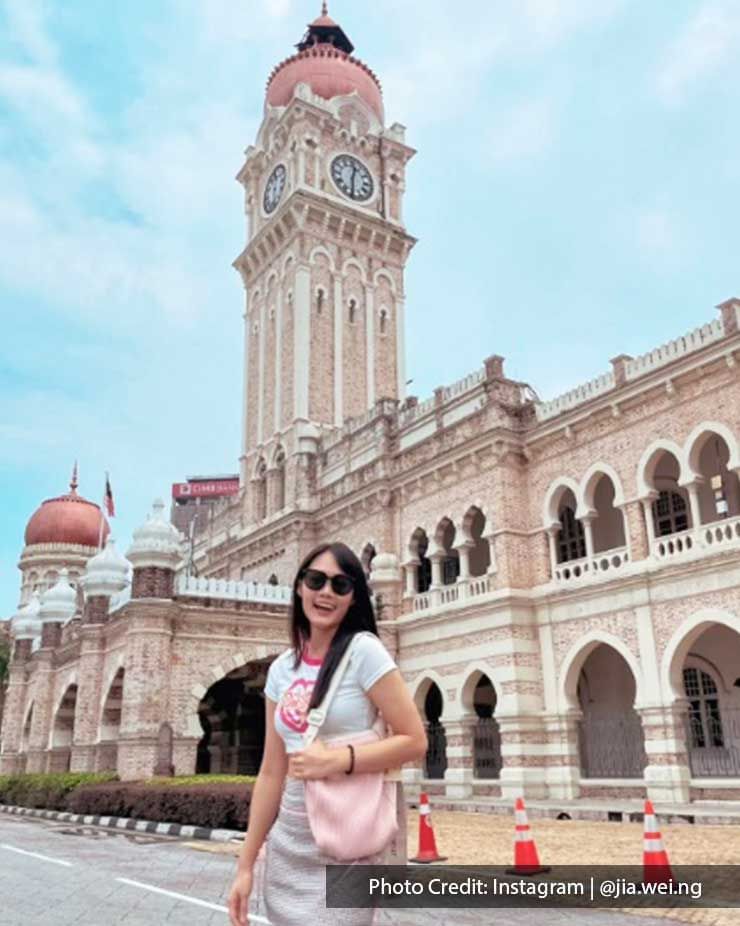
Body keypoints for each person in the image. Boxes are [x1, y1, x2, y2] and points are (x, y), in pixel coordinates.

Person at [228, 541, 428, 926]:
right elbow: (271, 771)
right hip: (289, 842)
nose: (325, 593)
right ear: (299, 586)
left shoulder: (364, 652)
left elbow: (414, 739)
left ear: (354, 598)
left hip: (347, 841)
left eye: (340, 585)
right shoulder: (282, 669)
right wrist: (246, 864)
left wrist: (339, 760)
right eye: (316, 580)